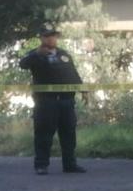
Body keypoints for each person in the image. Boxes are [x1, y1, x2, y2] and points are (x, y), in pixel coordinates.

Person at [19, 27, 86, 175]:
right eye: (48, 36)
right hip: (46, 102)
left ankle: (70, 165)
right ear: (42, 38)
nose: (51, 39)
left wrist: (84, 89)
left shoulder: (64, 54)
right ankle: (41, 165)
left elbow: (73, 73)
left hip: (66, 101)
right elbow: (22, 64)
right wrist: (36, 54)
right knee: (44, 135)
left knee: (69, 134)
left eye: (54, 36)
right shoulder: (35, 54)